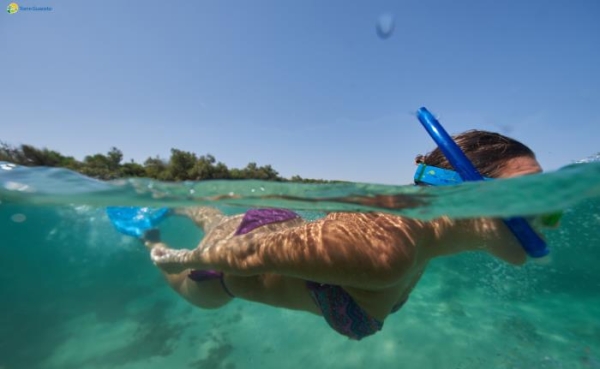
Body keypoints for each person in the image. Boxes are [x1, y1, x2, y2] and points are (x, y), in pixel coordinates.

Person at [145, 130, 554, 340]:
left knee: (213, 219)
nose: (548, 210)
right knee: (189, 285)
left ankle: (187, 207)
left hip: (275, 229)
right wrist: (179, 259)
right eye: (529, 191)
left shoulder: (422, 238)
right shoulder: (389, 252)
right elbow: (247, 255)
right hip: (229, 268)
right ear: (463, 191)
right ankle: (151, 235)